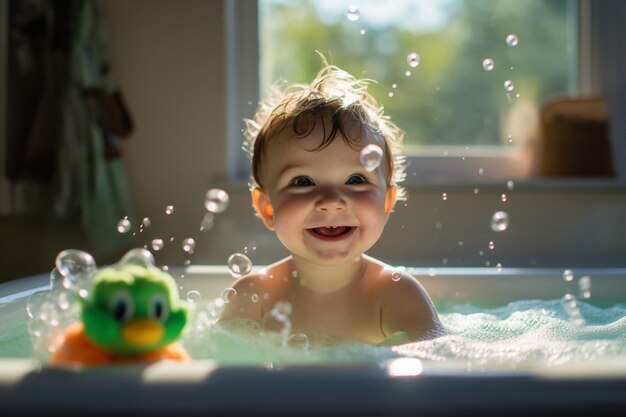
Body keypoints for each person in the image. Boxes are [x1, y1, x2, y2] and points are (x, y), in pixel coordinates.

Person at [219, 59, 442, 345]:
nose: (332, 201)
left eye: (355, 180)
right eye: (303, 182)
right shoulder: (253, 297)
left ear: (386, 203)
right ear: (267, 208)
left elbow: (439, 371)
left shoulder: (395, 295)